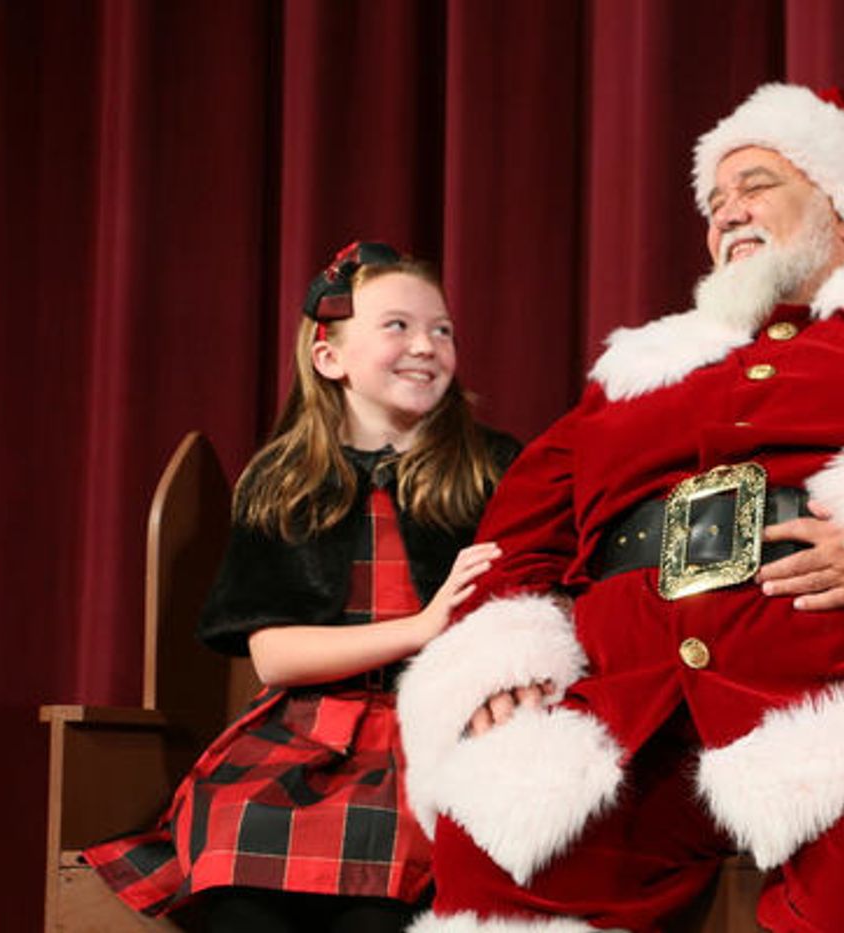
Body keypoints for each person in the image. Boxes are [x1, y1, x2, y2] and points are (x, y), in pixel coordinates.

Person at [397, 84, 844, 932]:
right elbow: (520, 529)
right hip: (635, 704)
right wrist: (503, 659)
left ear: (843, 201)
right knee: (496, 837)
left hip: (843, 687)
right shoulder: (640, 371)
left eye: (754, 183)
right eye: (712, 202)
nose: (725, 213)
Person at [83, 242, 520, 932]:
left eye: (442, 329)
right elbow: (274, 656)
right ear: (330, 357)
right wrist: (421, 624)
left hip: (432, 731)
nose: (427, 344)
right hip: (304, 731)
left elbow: (541, 603)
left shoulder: (493, 468)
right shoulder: (285, 480)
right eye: (397, 326)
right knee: (238, 879)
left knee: (380, 900)